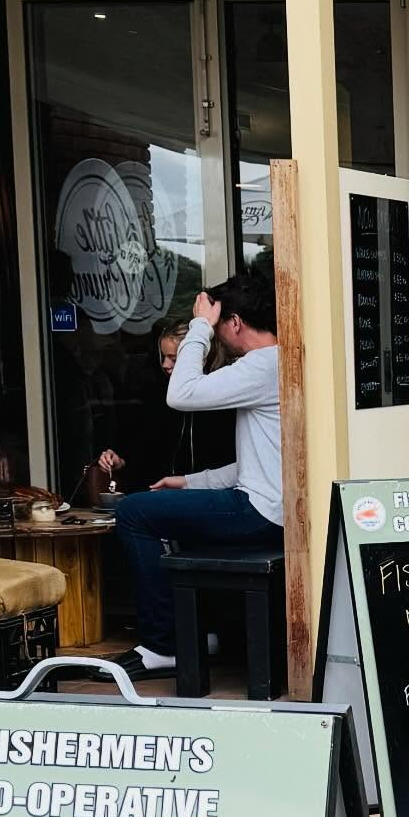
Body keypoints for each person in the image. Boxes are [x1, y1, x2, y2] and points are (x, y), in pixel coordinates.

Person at [110, 267, 282, 679]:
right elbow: (264, 461)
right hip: (271, 506)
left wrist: (200, 326)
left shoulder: (261, 365)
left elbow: (181, 393)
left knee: (133, 512)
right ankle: (204, 634)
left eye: (218, 325)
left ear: (234, 322)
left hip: (259, 511)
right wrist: (191, 482)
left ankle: (165, 645)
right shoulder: (280, 362)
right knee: (173, 516)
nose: (215, 334)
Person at [96, 318, 236, 491]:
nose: (165, 365)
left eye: (174, 359)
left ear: (201, 358)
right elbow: (145, 447)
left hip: (211, 494)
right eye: (163, 357)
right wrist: (121, 461)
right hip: (161, 491)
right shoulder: (158, 395)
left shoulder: (226, 398)